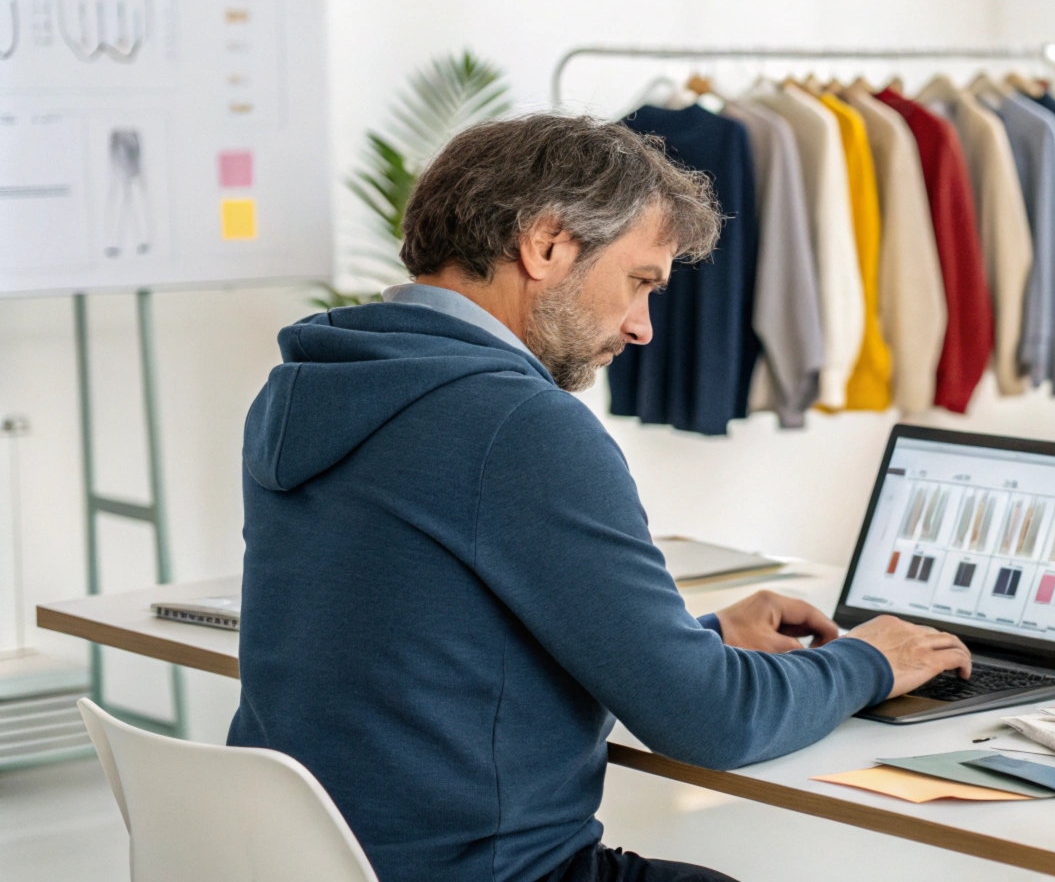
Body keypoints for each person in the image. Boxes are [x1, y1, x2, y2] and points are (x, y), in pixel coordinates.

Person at [229, 115, 973, 882]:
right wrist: (869, 661)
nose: (643, 327)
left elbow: (444, 653)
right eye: (641, 281)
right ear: (547, 244)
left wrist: (699, 637)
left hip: (303, 860)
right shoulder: (518, 425)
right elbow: (710, 721)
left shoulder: (308, 388)